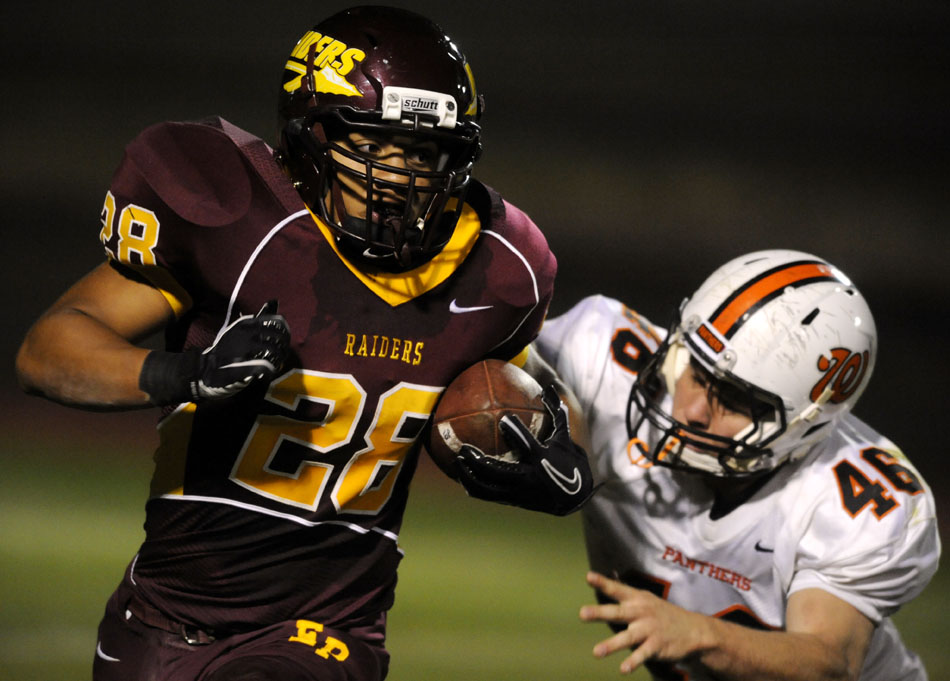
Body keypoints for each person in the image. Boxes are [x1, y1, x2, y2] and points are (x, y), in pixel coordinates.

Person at [14, 6, 591, 680]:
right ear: (311, 137)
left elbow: (529, 401)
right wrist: (186, 373)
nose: (401, 180)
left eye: (424, 154)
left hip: (324, 631)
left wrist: (551, 454)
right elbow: (48, 348)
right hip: (161, 619)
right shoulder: (237, 219)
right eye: (376, 148)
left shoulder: (498, 266)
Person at [531, 249, 940, 680]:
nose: (689, 409)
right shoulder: (601, 360)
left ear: (804, 423)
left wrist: (698, 633)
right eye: (695, 370)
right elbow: (484, 366)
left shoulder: (853, 500)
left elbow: (828, 662)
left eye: (731, 398)